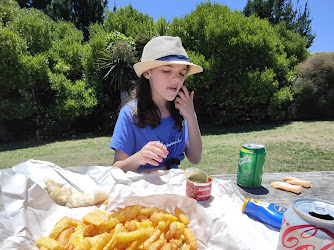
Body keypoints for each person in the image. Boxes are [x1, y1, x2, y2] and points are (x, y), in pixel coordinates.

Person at [109, 36, 203, 173]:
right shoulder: (130, 114)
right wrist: (138, 158)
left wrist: (192, 117)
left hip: (174, 188)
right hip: (141, 191)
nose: (176, 79)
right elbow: (116, 169)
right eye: (166, 70)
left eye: (182, 73)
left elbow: (195, 158)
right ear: (147, 73)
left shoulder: (181, 111)